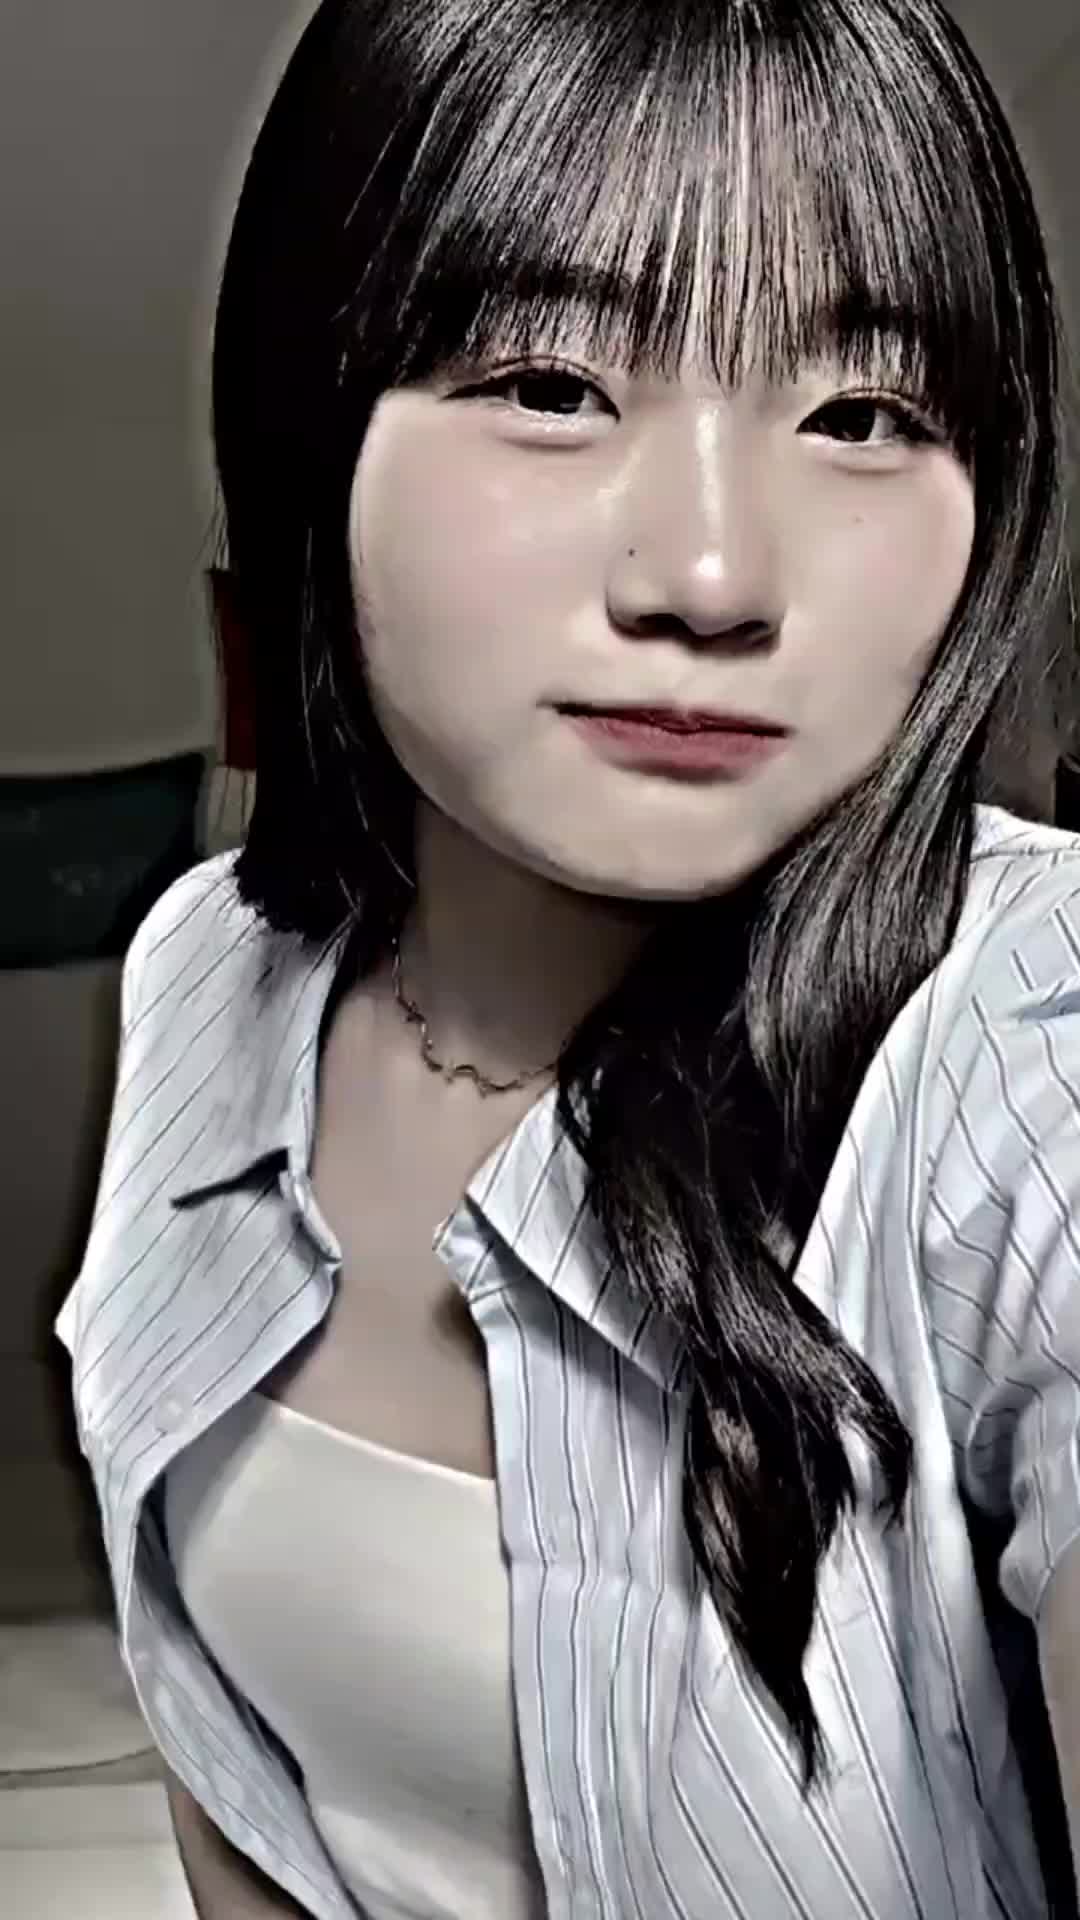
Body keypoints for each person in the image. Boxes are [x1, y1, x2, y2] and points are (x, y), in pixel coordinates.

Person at [54, 0, 1080, 1915]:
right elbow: (244, 1777)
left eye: (860, 417)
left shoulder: (1030, 1045)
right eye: (549, 382)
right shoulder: (206, 973)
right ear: (312, 423)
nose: (711, 577)